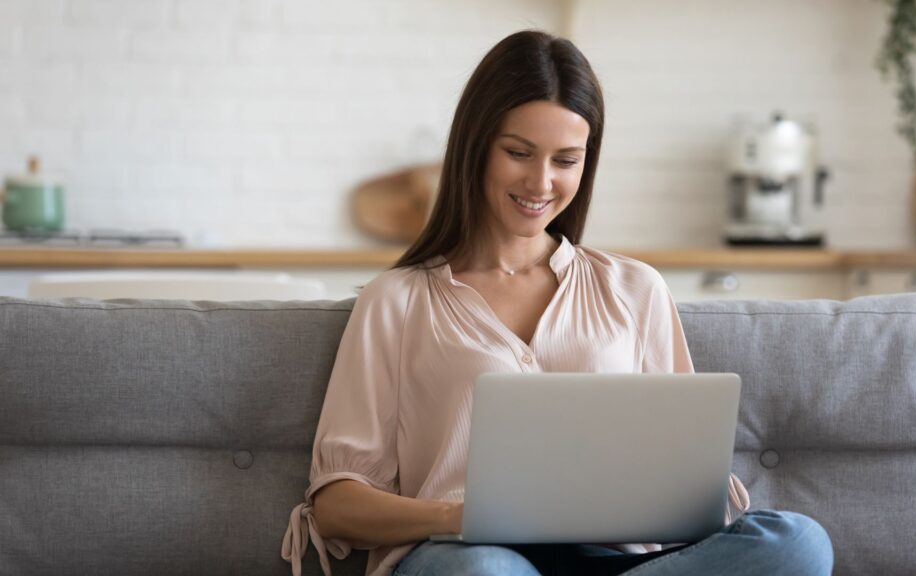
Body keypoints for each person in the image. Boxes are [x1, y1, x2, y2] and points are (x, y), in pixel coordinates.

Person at [282, 30, 833, 576]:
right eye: (518, 153)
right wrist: (460, 517)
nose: (541, 182)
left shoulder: (635, 289)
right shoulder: (396, 302)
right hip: (468, 557)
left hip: (620, 561)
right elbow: (336, 507)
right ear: (475, 147)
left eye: (566, 160)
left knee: (797, 542)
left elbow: (689, 486)